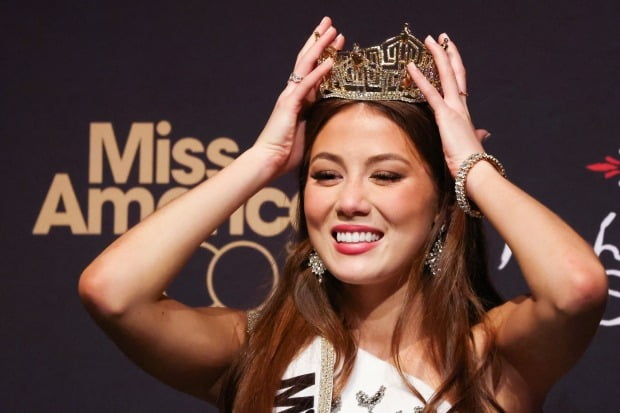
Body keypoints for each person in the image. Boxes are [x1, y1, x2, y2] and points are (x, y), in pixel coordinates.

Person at [78, 17, 608, 412]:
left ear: (443, 206)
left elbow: (577, 288)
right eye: (326, 175)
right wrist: (261, 160)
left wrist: (471, 167)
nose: (349, 201)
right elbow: (112, 292)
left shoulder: (490, 357)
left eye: (386, 176)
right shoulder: (254, 349)